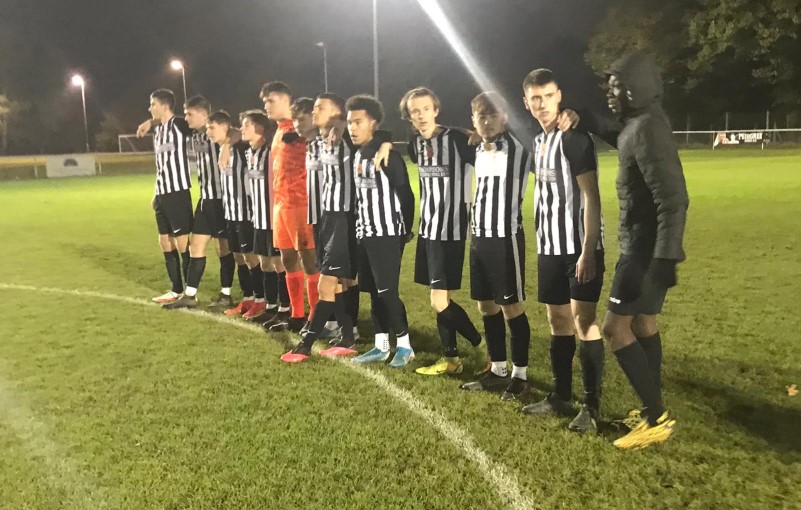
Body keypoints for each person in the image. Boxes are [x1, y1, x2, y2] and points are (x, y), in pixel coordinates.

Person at [601, 51, 689, 449]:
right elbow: (625, 146)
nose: (611, 93)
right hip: (648, 249)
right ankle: (653, 411)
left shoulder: (647, 128)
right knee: (643, 324)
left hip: (643, 251)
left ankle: (656, 418)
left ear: (637, 87)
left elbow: (673, 199)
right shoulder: (642, 124)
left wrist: (664, 259)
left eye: (617, 85)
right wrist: (586, 121)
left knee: (614, 328)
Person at [518, 69, 606, 433]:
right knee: (557, 321)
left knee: (584, 321)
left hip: (579, 248)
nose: (542, 104)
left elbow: (591, 198)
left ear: (560, 96)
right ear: (527, 103)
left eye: (548, 96)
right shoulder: (539, 141)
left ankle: (592, 405)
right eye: (535, 98)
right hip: (549, 247)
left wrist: (588, 251)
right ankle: (560, 396)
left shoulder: (574, 139)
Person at [280, 94, 392, 363]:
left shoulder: (343, 134)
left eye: (320, 108)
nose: (314, 112)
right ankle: (347, 335)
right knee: (339, 280)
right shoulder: (316, 141)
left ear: (338, 113)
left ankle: (305, 343)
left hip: (343, 216)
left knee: (327, 280)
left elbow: (376, 134)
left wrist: (386, 140)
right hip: (322, 218)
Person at [399, 87, 483, 376]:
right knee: (439, 300)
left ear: (436, 109)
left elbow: (490, 149)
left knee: (438, 300)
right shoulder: (414, 145)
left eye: (425, 109)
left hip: (452, 231)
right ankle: (452, 359)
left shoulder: (459, 140)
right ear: (410, 117)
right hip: (428, 230)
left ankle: (481, 347)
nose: (421, 115)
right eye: (415, 111)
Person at [458, 92, 533, 401]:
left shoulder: (518, 149)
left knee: (511, 306)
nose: (486, 122)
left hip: (506, 238)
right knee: (486, 305)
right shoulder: (477, 148)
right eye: (480, 117)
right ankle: (498, 369)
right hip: (479, 237)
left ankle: (520, 375)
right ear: (474, 121)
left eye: (492, 115)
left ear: (505, 117)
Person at [343, 95, 416, 368]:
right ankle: (381, 345)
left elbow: (406, 197)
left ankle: (406, 346)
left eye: (358, 122)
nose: (352, 127)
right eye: (350, 122)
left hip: (387, 234)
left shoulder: (388, 156)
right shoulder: (358, 154)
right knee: (374, 292)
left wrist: (404, 232)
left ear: (372, 123)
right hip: (366, 233)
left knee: (387, 292)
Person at [160, 96, 235, 311]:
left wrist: (227, 144)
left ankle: (226, 294)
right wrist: (151, 122)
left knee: (223, 250)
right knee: (196, 248)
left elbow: (236, 132)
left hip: (221, 201)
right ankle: (190, 295)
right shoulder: (196, 134)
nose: (186, 118)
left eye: (190, 113)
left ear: (204, 114)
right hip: (204, 199)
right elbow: (167, 118)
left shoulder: (220, 133)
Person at [261, 82, 319, 332]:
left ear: (286, 100)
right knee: (287, 260)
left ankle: (317, 317)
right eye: (264, 102)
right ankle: (296, 314)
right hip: (280, 205)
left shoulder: (304, 128)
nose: (266, 106)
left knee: (310, 262)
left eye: (271, 101)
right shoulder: (278, 130)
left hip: (301, 204)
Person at [136, 89, 193, 304]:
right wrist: (156, 193)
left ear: (164, 106)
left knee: (181, 243)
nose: (150, 109)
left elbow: (199, 126)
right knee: (164, 242)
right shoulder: (159, 131)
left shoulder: (178, 125)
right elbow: (162, 166)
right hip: (162, 193)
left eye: (153, 104)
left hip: (178, 192)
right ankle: (175, 289)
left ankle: (190, 290)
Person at [205, 110, 261, 316]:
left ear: (225, 127)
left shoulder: (239, 146)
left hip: (246, 213)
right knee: (238, 257)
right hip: (230, 212)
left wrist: (229, 143)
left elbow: (238, 133)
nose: (208, 133)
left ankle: (261, 299)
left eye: (211, 128)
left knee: (251, 257)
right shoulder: (222, 148)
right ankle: (248, 299)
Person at [239, 110, 289, 322]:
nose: (241, 129)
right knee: (265, 264)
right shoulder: (250, 153)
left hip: (273, 219)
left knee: (279, 264)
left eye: (245, 125)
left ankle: (286, 308)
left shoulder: (270, 153)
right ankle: (271, 306)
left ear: (258, 129)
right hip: (257, 219)